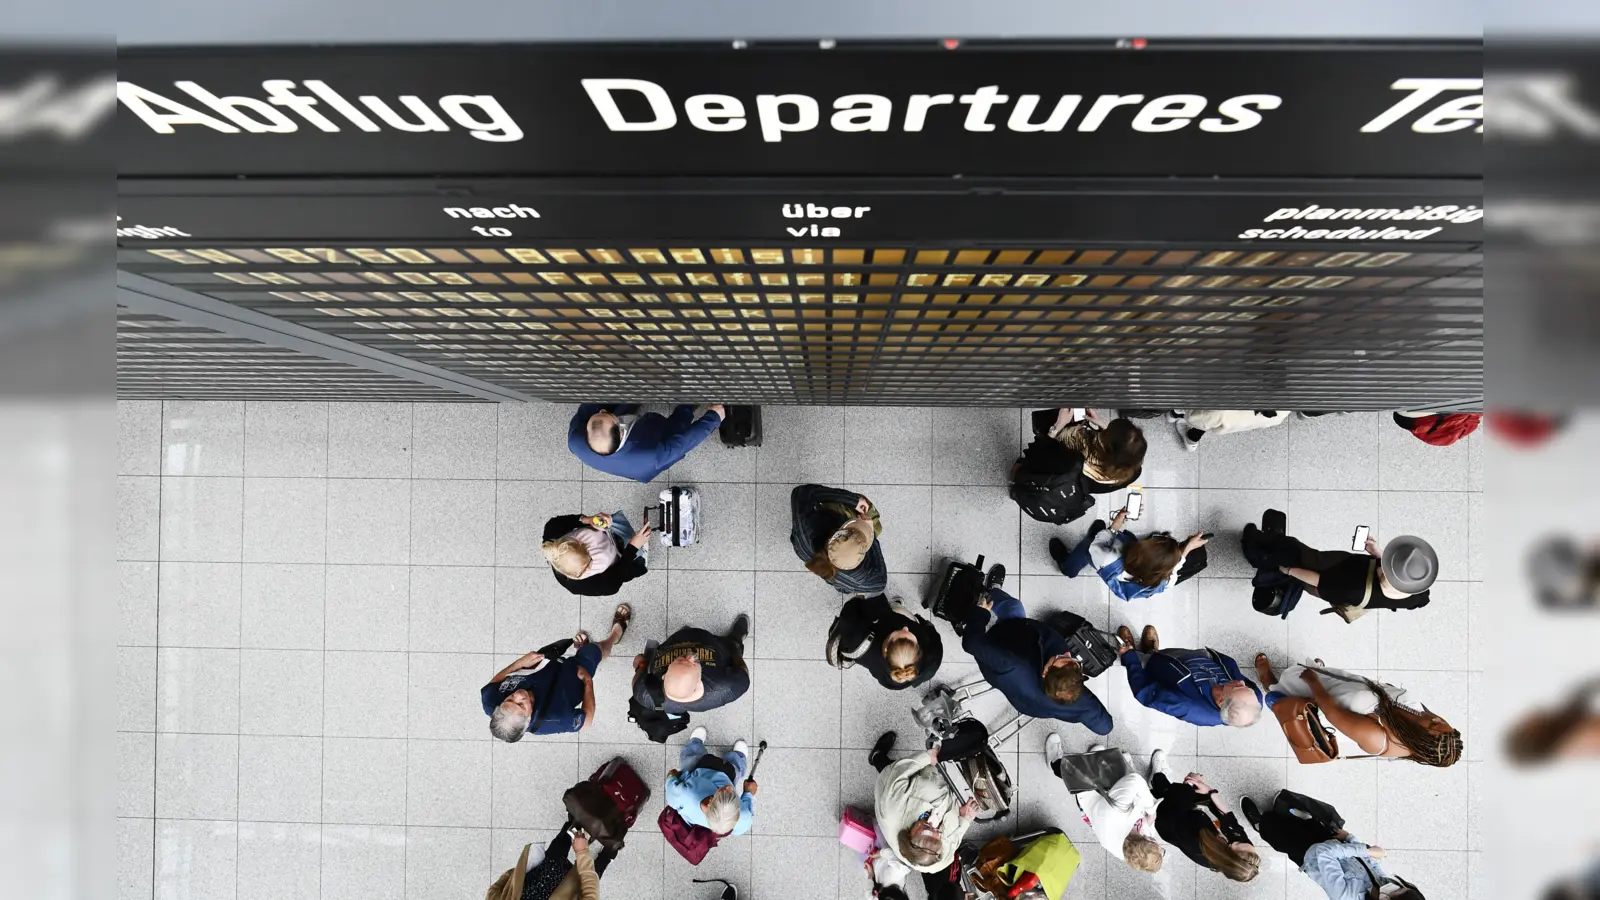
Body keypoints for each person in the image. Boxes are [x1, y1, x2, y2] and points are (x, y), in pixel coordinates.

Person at [1256, 658, 1464, 767]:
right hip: (1350, 687)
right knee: (1329, 676)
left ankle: (1271, 684)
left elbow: (1333, 713)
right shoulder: (1425, 720)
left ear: (1420, 740)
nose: (1435, 718)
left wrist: (1313, 682)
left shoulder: (1379, 739)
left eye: (1433, 725)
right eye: (1443, 722)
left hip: (1325, 699)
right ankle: (1318, 672)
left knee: (1291, 687)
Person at [959, 587, 1113, 735]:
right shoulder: (1079, 701)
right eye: (1074, 662)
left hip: (1003, 645)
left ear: (1045, 672)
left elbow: (971, 643)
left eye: (1060, 658)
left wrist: (981, 614)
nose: (1066, 654)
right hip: (1024, 702)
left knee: (1013, 606)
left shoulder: (1013, 664)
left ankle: (985, 595)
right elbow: (1105, 727)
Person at [1240, 789, 1425, 899]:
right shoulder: (1390, 885)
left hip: (1309, 854)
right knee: (1307, 822)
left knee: (1279, 836)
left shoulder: (1346, 895)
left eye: (1397, 889)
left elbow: (1322, 854)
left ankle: (1260, 825)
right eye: (1401, 886)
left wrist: (1364, 850)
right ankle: (1282, 811)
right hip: (1338, 846)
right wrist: (1350, 839)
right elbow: (1372, 865)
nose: (1394, 884)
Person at [482, 606, 630, 741]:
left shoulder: (490, 702)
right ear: (528, 720)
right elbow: (587, 722)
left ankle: (581, 649)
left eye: (509, 700)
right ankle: (614, 637)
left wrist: (520, 663)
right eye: (521, 704)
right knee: (594, 651)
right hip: (575, 677)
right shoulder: (554, 720)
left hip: (543, 666)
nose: (519, 694)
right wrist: (587, 682)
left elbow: (496, 681)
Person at [867, 731, 979, 900]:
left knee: (892, 775)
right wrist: (964, 819)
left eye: (926, 828)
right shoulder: (938, 862)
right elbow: (952, 840)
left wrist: (926, 758)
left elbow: (897, 775)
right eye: (937, 832)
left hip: (909, 786)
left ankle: (877, 757)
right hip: (938, 791)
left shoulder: (892, 809)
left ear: (909, 835)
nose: (933, 826)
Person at [1242, 523, 1437, 616]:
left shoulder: (1353, 589)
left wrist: (1289, 570)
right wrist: (1377, 553)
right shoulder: (1417, 593)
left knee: (1295, 552)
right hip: (1349, 570)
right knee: (1305, 558)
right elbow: (1418, 601)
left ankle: (1254, 550)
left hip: (1333, 581)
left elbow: (1318, 580)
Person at [1043, 734, 1162, 873]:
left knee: (1071, 773)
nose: (1155, 840)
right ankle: (1100, 759)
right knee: (1116, 777)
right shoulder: (1129, 853)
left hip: (1093, 793)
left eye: (1154, 842)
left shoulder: (1117, 812)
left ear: (1146, 840)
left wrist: (1151, 811)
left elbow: (1135, 781)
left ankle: (1055, 763)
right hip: (1102, 807)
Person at [1050, 508, 1209, 602]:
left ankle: (1068, 568)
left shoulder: (1108, 558)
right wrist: (1187, 548)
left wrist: (1114, 527)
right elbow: (1176, 566)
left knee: (1087, 547)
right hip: (1124, 571)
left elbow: (1096, 548)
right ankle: (1098, 536)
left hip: (1105, 558)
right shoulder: (1164, 580)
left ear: (1140, 549)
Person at [1148, 750, 1260, 883]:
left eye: (1235, 844)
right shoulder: (1243, 849)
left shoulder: (1198, 847)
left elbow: (1175, 812)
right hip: (1192, 815)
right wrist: (1210, 792)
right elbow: (1230, 819)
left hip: (1170, 819)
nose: (1237, 839)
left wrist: (1188, 785)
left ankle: (1156, 779)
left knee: (1163, 792)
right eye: (1244, 842)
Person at [1117, 626, 1264, 728]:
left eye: (1238, 687)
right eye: (1246, 687)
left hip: (1162, 672)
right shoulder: (1253, 699)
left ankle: (1134, 654)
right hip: (1191, 661)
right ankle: (1153, 652)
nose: (1241, 682)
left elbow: (1145, 694)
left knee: (1143, 661)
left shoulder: (1188, 707)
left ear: (1221, 701)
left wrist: (1130, 660)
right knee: (1170, 654)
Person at [567, 402, 725, 483]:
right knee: (676, 428)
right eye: (606, 414)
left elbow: (590, 405)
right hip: (644, 456)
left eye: (601, 414)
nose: (601, 411)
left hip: (627, 445)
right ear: (621, 434)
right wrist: (714, 417)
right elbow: (682, 443)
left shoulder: (575, 439)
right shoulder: (649, 457)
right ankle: (687, 406)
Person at [630, 616, 751, 715]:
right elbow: (742, 669)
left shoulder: (645, 694)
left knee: (683, 634)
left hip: (675, 642)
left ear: (664, 677)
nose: (691, 654)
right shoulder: (727, 687)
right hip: (713, 643)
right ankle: (736, 638)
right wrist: (734, 648)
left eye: (679, 659)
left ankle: (685, 633)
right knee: (732, 643)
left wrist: (641, 664)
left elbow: (637, 676)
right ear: (699, 682)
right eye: (695, 663)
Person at [826, 593, 943, 690]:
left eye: (899, 633)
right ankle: (896, 606)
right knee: (901, 612)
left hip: (870, 634)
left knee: (896, 610)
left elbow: (850, 610)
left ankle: (895, 606)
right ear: (918, 652)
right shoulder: (927, 661)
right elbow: (933, 636)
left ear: (886, 649)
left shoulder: (856, 638)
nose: (905, 628)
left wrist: (860, 597)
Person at [789, 484, 887, 594]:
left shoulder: (805, 527)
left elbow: (801, 492)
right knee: (872, 516)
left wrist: (854, 501)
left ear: (834, 534)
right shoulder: (862, 578)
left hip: (808, 549)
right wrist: (871, 532)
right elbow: (880, 584)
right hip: (840, 582)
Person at [664, 726, 756, 837]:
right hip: (727, 774)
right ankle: (738, 756)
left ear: (709, 802)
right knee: (735, 768)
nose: (730, 788)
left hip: (697, 769)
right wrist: (749, 793)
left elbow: (671, 775)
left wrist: (674, 775)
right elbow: (741, 827)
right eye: (732, 795)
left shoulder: (684, 795)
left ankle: (695, 743)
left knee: (690, 758)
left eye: (726, 793)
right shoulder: (742, 818)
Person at [541, 510, 653, 596]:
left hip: (609, 534)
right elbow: (614, 582)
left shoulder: (553, 536)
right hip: (621, 560)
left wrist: (587, 520)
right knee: (637, 561)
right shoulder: (579, 586)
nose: (591, 550)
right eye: (590, 560)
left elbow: (559, 522)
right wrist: (632, 548)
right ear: (578, 574)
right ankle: (642, 558)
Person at [488, 825, 616, 900]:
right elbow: (590, 894)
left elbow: (494, 890)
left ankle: (574, 822)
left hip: (546, 870)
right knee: (595, 869)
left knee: (559, 846)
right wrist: (582, 852)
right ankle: (609, 852)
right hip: (573, 887)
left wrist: (514, 874)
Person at [1042, 407, 1147, 490]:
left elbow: (1041, 453)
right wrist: (1102, 427)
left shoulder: (1074, 461)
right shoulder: (1133, 472)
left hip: (1058, 467)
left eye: (1105, 432)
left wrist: (1058, 425)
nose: (1104, 430)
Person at [1172, 409, 1290, 452]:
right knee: (1212, 421)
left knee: (1204, 418)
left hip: (1219, 414)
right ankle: (1192, 439)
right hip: (1234, 422)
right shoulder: (1282, 412)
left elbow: (1193, 418)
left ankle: (1177, 415)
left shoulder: (1223, 409)